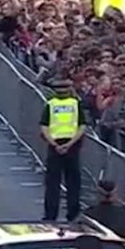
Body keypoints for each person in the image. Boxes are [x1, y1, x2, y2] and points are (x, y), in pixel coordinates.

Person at [40, 79, 88, 222]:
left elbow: (44, 127)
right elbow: (82, 126)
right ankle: (73, 214)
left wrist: (55, 144)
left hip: (55, 147)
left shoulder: (50, 104)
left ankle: (50, 215)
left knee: (52, 183)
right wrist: (70, 144)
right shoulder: (75, 104)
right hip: (72, 147)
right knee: (73, 183)